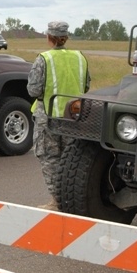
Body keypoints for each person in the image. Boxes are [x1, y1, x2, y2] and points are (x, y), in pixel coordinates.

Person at [27, 21, 90, 210]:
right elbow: (86, 86)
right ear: (66, 37)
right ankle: (72, 199)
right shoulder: (80, 57)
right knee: (70, 160)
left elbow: (33, 90)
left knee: (49, 157)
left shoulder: (43, 59)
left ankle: (58, 201)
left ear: (49, 37)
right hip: (74, 117)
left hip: (49, 116)